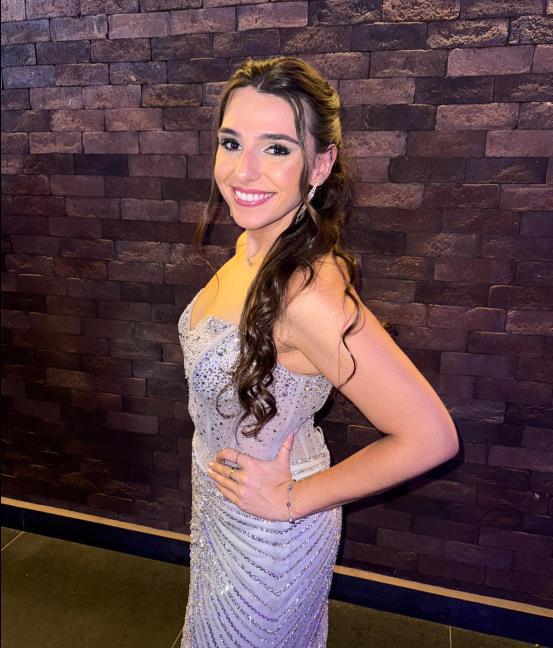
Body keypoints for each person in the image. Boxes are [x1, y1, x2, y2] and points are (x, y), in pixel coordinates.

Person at [178, 55, 459, 647]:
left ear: (321, 164)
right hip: (222, 505)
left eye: (277, 148)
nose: (243, 170)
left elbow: (431, 436)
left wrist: (292, 499)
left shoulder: (306, 296)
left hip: (270, 531)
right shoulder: (252, 244)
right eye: (232, 142)